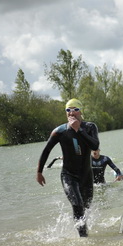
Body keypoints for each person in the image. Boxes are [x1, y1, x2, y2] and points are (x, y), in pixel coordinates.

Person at [36, 99, 99, 237]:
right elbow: (46, 150)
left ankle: (84, 229)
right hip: (69, 176)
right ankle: (84, 238)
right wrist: (39, 172)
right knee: (77, 205)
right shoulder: (59, 131)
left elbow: (95, 146)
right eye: (68, 110)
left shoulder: (90, 127)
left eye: (75, 109)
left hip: (86, 175)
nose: (71, 112)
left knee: (86, 207)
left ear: (81, 111)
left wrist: (79, 130)